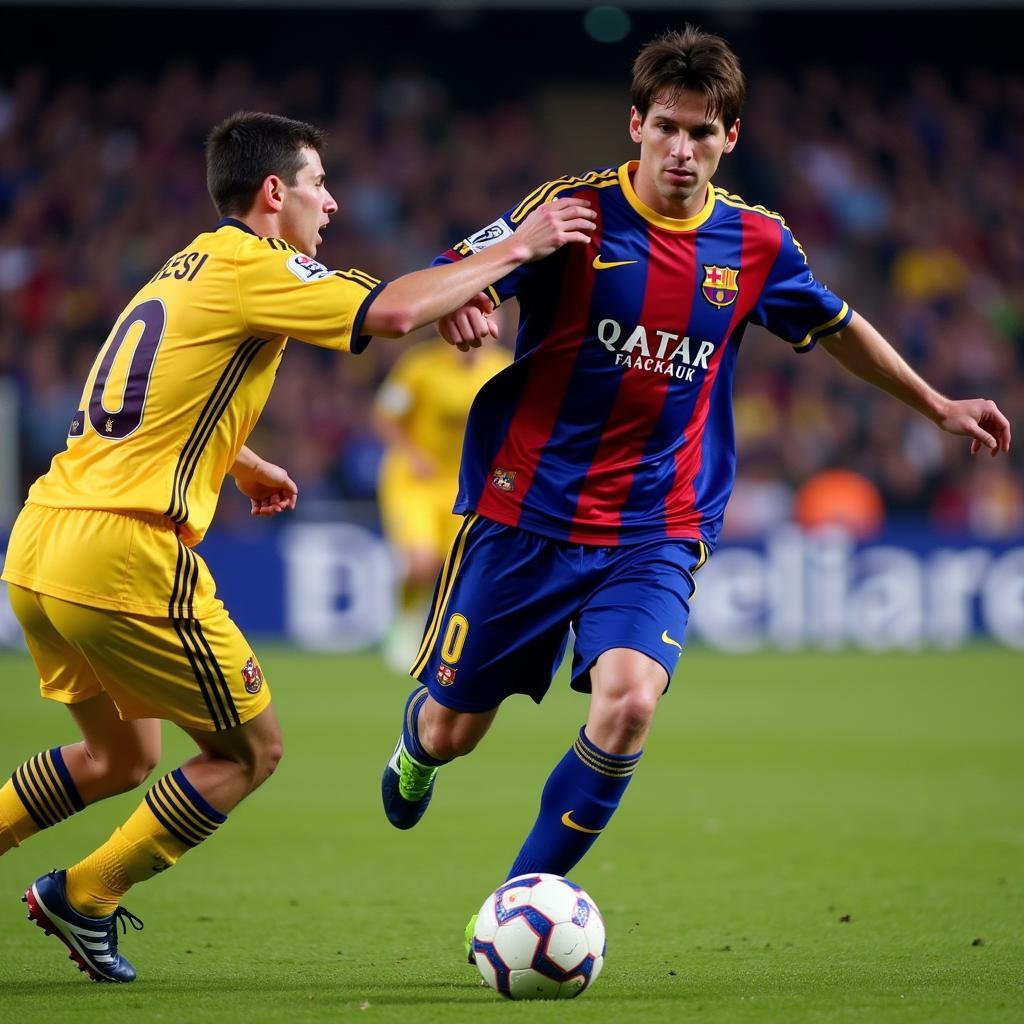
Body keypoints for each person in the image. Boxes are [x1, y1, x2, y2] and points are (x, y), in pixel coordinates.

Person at [378, 26, 1012, 953]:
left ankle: (526, 901)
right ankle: (417, 747)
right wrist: (467, 294)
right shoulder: (571, 212)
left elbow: (836, 325)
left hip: (657, 524)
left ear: (731, 139)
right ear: (635, 125)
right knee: (450, 729)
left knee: (630, 701)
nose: (683, 150)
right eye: (667, 128)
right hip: (524, 512)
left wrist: (934, 403)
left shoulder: (755, 242)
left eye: (703, 134)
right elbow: (441, 278)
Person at [0, 110, 596, 983]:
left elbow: (137, 389)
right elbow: (391, 312)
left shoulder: (179, 268)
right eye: (318, 184)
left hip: (41, 539)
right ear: (274, 192)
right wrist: (519, 247)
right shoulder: (259, 263)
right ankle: (84, 895)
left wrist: (236, 459)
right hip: (124, 553)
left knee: (119, 756)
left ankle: (76, 892)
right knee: (251, 752)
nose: (333, 201)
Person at [374, 336, 511, 670]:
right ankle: (404, 621)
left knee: (460, 570)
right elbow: (384, 416)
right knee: (422, 561)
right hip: (415, 480)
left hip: (467, 486)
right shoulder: (419, 366)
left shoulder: (505, 368)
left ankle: (449, 639)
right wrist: (412, 454)